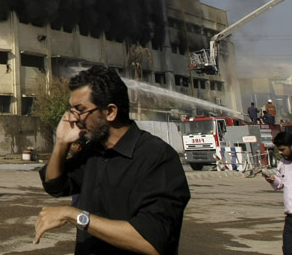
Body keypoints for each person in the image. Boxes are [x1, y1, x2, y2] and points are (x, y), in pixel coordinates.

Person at [36, 65, 191, 254]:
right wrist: (61, 142)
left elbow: (151, 241)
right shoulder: (94, 152)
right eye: (72, 111)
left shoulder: (157, 157)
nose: (74, 119)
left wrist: (75, 215)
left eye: (80, 110)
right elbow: (55, 185)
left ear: (110, 112)